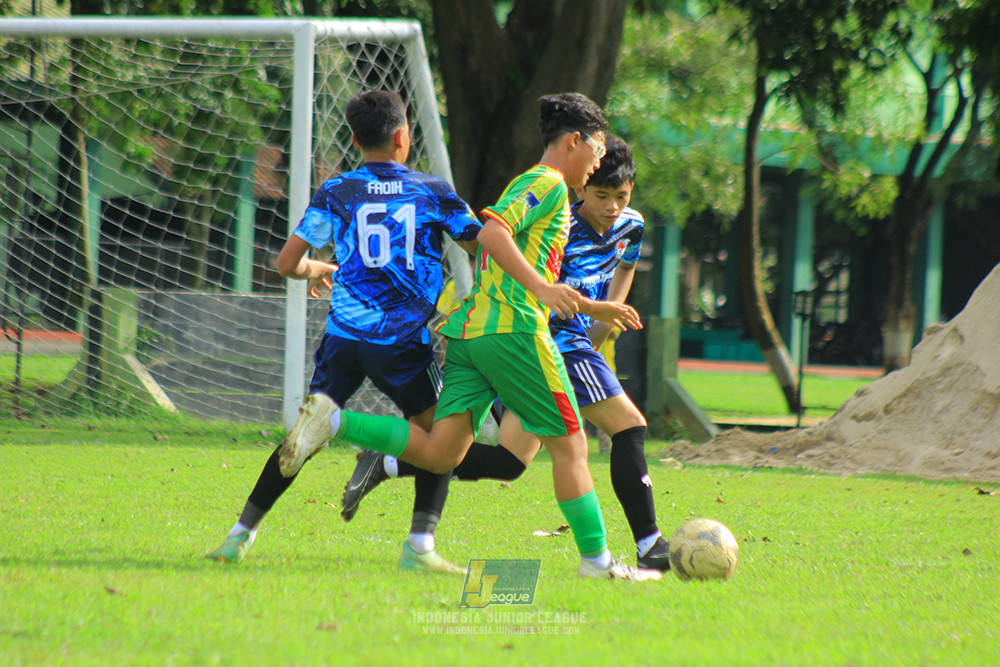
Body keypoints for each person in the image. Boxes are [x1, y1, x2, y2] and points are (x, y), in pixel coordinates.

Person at [278, 93, 658, 581]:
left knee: (441, 451)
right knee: (572, 448)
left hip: (472, 333)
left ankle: (335, 423)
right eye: (598, 146)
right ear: (574, 141)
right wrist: (541, 288)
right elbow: (493, 234)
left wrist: (590, 305)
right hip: (514, 332)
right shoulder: (548, 183)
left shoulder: (545, 184)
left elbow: (519, 259)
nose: (601, 158)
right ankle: (598, 563)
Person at [204, 90, 482, 572]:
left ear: (354, 139)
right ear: (403, 135)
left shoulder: (337, 190)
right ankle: (419, 547)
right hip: (400, 342)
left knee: (302, 436)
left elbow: (287, 264)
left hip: (343, 337)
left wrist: (319, 269)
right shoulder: (432, 191)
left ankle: (238, 535)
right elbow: (481, 241)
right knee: (442, 440)